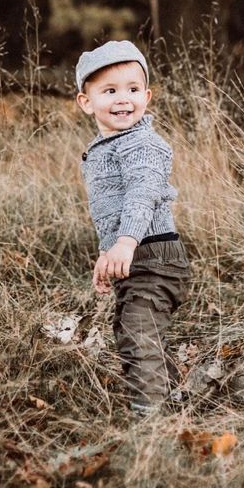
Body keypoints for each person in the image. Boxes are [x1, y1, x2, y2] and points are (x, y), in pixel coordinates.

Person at [76, 40, 191, 416]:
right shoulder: (104, 146)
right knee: (136, 331)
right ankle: (174, 402)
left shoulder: (143, 144)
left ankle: (150, 420)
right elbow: (110, 212)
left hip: (154, 254)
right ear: (86, 101)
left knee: (138, 333)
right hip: (131, 253)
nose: (123, 99)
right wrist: (105, 255)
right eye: (109, 91)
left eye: (132, 89)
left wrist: (125, 243)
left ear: (147, 95)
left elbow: (142, 193)